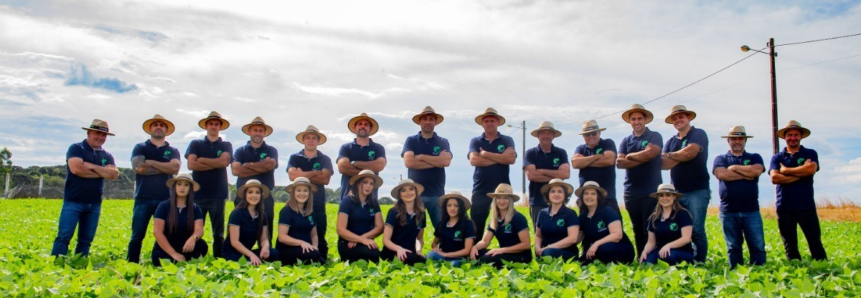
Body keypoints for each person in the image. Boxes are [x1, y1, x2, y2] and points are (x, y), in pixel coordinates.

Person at [51, 119, 119, 257]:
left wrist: (92, 166)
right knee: (64, 236)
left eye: (103, 135)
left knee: (86, 240)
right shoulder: (76, 148)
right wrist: (102, 173)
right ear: (89, 133)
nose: (100, 137)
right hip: (73, 201)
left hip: (94, 203)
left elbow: (113, 174)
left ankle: (79, 266)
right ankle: (56, 266)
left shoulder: (107, 155)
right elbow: (77, 169)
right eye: (97, 133)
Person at [127, 114, 181, 263]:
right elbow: (138, 167)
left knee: (166, 233)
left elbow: (175, 168)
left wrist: (150, 162)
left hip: (165, 198)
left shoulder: (173, 150)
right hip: (143, 198)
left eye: (162, 125)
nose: (159, 127)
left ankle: (161, 262)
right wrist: (165, 167)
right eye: (155, 124)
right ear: (150, 128)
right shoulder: (140, 147)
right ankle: (132, 263)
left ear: (166, 130)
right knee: (137, 234)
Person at [769, 120, 826, 261]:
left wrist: (786, 170)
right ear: (784, 137)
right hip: (784, 207)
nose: (793, 138)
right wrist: (802, 174)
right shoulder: (777, 157)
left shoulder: (810, 153)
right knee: (790, 244)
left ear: (801, 137)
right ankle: (796, 272)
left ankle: (823, 269)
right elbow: (775, 178)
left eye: (796, 135)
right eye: (790, 135)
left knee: (815, 242)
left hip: (806, 206)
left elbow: (811, 169)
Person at [661, 105, 710, 263]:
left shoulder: (698, 134)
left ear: (688, 118)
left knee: (696, 230)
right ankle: (684, 260)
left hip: (697, 190)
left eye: (681, 117)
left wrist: (670, 155)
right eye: (675, 118)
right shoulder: (671, 141)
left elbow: (690, 153)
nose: (678, 120)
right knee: (678, 230)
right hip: (677, 192)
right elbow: (664, 165)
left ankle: (700, 261)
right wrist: (679, 156)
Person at [713, 126, 767, 268]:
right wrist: (746, 174)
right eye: (734, 139)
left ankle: (759, 274)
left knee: (757, 246)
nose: (737, 141)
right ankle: (736, 275)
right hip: (728, 211)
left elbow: (756, 171)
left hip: (751, 211)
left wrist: (734, 168)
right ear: (728, 141)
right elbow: (722, 174)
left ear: (745, 140)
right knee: (733, 247)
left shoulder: (754, 157)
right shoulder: (721, 158)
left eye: (740, 138)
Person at [616, 104, 663, 256]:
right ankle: (641, 257)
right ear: (630, 121)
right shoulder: (625, 140)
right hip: (631, 191)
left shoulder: (655, 136)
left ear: (645, 120)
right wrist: (643, 155)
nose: (637, 122)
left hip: (651, 190)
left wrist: (630, 156)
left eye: (640, 119)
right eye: (634, 119)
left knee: (650, 227)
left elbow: (652, 154)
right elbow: (619, 163)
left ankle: (651, 257)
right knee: (637, 227)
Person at [185, 111, 233, 258]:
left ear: (220, 127)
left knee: (218, 232)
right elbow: (191, 164)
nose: (213, 126)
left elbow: (224, 162)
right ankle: (193, 255)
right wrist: (216, 162)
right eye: (211, 124)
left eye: (216, 124)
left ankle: (219, 257)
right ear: (206, 126)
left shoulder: (226, 145)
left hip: (218, 194)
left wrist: (202, 160)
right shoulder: (196, 143)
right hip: (198, 193)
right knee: (195, 229)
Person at [287, 125, 334, 261]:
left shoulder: (324, 159)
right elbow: (292, 177)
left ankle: (320, 256)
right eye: (308, 138)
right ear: (303, 140)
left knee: (319, 230)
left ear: (318, 141)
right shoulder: (294, 157)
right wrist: (315, 173)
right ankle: (298, 255)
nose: (311, 140)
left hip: (317, 201)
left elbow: (325, 179)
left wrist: (301, 174)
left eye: (314, 138)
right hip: (298, 202)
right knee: (298, 229)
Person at [468, 108, 517, 237]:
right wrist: (500, 158)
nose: (489, 123)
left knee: (506, 225)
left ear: (498, 123)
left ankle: (506, 252)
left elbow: (510, 159)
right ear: (482, 124)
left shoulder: (507, 140)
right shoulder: (475, 141)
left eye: (492, 121)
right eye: (486, 121)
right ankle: (473, 253)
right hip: (480, 189)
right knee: (476, 226)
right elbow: (473, 160)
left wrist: (485, 154)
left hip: (502, 190)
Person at [402, 106, 452, 230]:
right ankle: (416, 250)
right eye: (425, 119)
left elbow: (446, 161)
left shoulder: (442, 141)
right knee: (415, 232)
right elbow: (409, 162)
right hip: (416, 195)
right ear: (420, 121)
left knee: (442, 230)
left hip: (437, 194)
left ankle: (441, 250)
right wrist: (436, 161)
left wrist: (421, 156)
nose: (428, 122)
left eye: (431, 119)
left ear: (435, 122)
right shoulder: (411, 140)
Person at [231, 117, 278, 243]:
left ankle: (265, 252)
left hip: (265, 194)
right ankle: (240, 252)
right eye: (255, 130)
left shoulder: (271, 150)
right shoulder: (240, 151)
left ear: (264, 133)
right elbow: (236, 170)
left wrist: (246, 165)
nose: (258, 133)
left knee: (266, 225)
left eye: (261, 131)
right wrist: (261, 166)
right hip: (243, 194)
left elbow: (270, 166)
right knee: (241, 223)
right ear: (249, 132)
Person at [151, 173, 208, 267]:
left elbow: (199, 230)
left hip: (186, 246)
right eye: (179, 184)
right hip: (167, 246)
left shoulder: (195, 208)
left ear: (190, 188)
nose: (182, 187)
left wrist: (193, 238)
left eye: (186, 185)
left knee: (202, 245)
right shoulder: (163, 206)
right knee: (161, 258)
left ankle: (186, 261)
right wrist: (173, 253)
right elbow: (157, 232)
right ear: (174, 187)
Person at [470, 184, 531, 268]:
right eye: (498, 198)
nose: (502, 201)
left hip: (520, 255)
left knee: (486, 259)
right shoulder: (494, 220)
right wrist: (475, 247)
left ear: (510, 200)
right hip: (504, 253)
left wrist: (501, 250)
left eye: (506, 198)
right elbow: (485, 241)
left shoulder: (518, 217)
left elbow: (526, 244)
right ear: (495, 200)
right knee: (477, 253)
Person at [576, 181, 635, 265]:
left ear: (598, 197)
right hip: (597, 249)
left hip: (618, 248)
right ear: (582, 197)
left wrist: (596, 244)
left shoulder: (608, 211)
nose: (589, 196)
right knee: (582, 261)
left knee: (605, 248)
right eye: (586, 194)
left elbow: (617, 235)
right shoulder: (583, 217)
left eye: (593, 194)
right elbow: (577, 239)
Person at [222, 179, 280, 265]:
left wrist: (265, 246)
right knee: (250, 263)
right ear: (245, 195)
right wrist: (252, 255)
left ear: (261, 195)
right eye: (250, 192)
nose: (254, 195)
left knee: (274, 253)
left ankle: (254, 260)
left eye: (257, 192)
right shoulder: (237, 213)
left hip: (248, 252)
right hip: (233, 252)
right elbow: (234, 242)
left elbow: (264, 239)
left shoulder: (262, 215)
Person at [524, 121, 570, 224]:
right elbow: (531, 175)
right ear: (538, 136)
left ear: (553, 136)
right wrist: (556, 176)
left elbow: (565, 174)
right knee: (539, 234)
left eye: (549, 133)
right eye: (543, 133)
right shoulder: (530, 153)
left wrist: (541, 171)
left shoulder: (561, 153)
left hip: (558, 201)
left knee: (558, 232)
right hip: (537, 201)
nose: (546, 136)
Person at [639, 184, 694, 265]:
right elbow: (651, 242)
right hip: (661, 251)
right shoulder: (654, 217)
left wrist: (668, 246)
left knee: (669, 256)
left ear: (674, 197)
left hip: (681, 251)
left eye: (668, 195)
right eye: (661, 196)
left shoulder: (683, 214)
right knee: (646, 262)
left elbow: (686, 238)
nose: (664, 198)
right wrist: (645, 251)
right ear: (658, 198)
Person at [336, 169, 384, 263]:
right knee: (372, 255)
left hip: (366, 242)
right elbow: (340, 230)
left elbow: (380, 227)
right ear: (358, 184)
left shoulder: (374, 203)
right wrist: (360, 240)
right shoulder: (347, 201)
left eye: (371, 183)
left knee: (377, 256)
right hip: (347, 243)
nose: (368, 186)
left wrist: (362, 238)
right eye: (365, 182)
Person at [571, 120, 619, 211]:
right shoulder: (580, 148)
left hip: (607, 197)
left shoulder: (607, 143)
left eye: (593, 133)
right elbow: (575, 163)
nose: (591, 136)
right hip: (586, 199)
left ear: (599, 133)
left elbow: (609, 160)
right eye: (587, 134)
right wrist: (598, 156)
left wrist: (585, 162)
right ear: (583, 136)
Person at [337, 113, 387, 199]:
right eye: (360, 124)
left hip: (370, 198)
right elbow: (342, 167)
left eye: (366, 124)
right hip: (348, 196)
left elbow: (379, 165)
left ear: (370, 129)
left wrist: (354, 163)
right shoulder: (346, 147)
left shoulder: (378, 148)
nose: (362, 126)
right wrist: (369, 172)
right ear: (354, 128)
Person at [277, 177, 325, 265]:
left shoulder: (310, 213)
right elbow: (282, 237)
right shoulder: (286, 211)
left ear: (309, 194)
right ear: (293, 193)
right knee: (315, 256)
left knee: (321, 261)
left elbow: (314, 235)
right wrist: (302, 243)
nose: (302, 193)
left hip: (306, 249)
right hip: (288, 249)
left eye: (305, 191)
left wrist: (315, 246)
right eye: (298, 190)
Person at [381, 179, 427, 265]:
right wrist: (398, 249)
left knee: (422, 261)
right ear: (399, 195)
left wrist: (418, 250)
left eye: (411, 189)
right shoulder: (393, 212)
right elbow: (386, 240)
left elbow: (419, 238)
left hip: (410, 252)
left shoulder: (421, 213)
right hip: (392, 252)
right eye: (403, 190)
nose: (408, 193)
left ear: (416, 192)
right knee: (416, 261)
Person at [533, 179, 580, 262]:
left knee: (548, 252)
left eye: (560, 191)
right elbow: (538, 235)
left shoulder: (570, 213)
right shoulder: (542, 213)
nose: (556, 194)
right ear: (548, 195)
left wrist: (550, 247)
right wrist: (537, 248)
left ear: (565, 195)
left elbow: (572, 238)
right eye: (553, 191)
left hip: (567, 252)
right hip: (545, 251)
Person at [427, 191, 476, 267]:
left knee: (454, 264)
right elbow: (434, 243)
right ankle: (443, 265)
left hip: (458, 258)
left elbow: (467, 250)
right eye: (449, 205)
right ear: (445, 207)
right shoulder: (442, 223)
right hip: (443, 256)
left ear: (461, 207)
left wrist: (446, 254)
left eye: (456, 206)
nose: (452, 208)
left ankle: (444, 266)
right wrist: (436, 249)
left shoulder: (467, 224)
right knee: (429, 255)